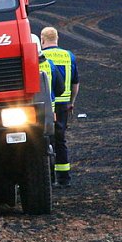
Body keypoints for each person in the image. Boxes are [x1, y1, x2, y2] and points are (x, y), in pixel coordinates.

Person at [40, 26, 79, 186]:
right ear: (57, 38)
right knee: (61, 139)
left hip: (45, 104)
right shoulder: (68, 56)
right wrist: (72, 102)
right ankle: (64, 178)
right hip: (63, 104)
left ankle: (48, 179)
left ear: (42, 40)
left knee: (45, 140)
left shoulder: (40, 57)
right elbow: (75, 83)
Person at [33, 33, 65, 184]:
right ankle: (52, 179)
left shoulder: (19, 65)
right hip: (47, 112)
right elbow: (60, 88)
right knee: (49, 145)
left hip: (25, 115)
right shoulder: (50, 64)